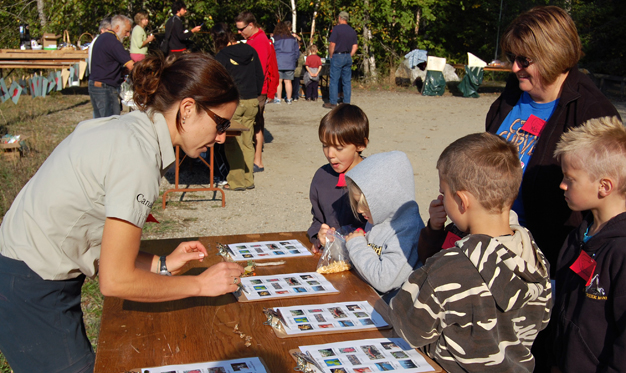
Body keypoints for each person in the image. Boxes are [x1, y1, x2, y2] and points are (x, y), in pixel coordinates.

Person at [0, 53, 245, 372]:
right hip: (32, 285)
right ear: (187, 109)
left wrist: (161, 263)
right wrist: (201, 285)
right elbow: (115, 281)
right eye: (221, 123)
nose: (223, 136)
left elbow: (103, 241)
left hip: (27, 272)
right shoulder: (137, 156)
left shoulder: (131, 129)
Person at [390, 132, 552, 373]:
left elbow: (410, 328)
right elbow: (542, 320)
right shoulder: (534, 255)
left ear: (462, 202)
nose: (442, 200)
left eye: (444, 194)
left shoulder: (450, 267)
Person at [486, 6, 621, 275]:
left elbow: (609, 201)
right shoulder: (515, 91)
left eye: (524, 60)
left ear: (552, 55)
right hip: (491, 238)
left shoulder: (591, 111)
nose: (514, 68)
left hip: (545, 255)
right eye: (512, 57)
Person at [552, 116, 626, 372]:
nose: (561, 184)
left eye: (569, 178)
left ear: (604, 186)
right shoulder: (579, 235)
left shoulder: (621, 252)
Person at [342, 151, 424, 302]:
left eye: (365, 205)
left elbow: (384, 280)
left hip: (388, 310)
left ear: (386, 198)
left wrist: (356, 245)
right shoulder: (380, 217)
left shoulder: (407, 230)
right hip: (366, 296)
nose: (360, 211)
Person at [308, 104, 368, 252]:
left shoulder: (372, 177)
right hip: (333, 257)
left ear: (361, 144)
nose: (330, 154)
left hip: (367, 257)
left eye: (339, 148)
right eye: (325, 145)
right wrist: (318, 235)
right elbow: (318, 219)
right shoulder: (322, 177)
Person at [211, 23, 263, 191]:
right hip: (252, 100)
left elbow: (217, 82)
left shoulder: (222, 56)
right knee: (248, 142)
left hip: (233, 103)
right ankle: (248, 180)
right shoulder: (251, 50)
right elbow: (259, 76)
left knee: (233, 142)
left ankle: (236, 181)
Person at [235, 11, 279, 173]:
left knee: (254, 124)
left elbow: (258, 69)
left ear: (251, 25)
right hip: (256, 89)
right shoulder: (257, 40)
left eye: (241, 29)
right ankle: (253, 158)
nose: (239, 32)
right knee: (255, 123)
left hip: (255, 90)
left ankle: (256, 161)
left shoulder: (259, 42)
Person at [88, 14, 134, 118]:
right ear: (117, 27)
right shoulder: (113, 42)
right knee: (110, 123)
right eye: (126, 31)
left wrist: (122, 71)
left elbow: (106, 65)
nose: (127, 35)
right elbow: (132, 65)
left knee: (100, 122)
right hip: (105, 88)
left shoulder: (102, 38)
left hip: (96, 85)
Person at [323, 11, 357, 109]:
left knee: (334, 80)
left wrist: (331, 55)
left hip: (338, 55)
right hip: (347, 56)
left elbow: (332, 44)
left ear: (339, 18)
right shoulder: (352, 30)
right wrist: (350, 55)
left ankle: (333, 102)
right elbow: (355, 46)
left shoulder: (337, 29)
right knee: (347, 81)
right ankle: (346, 102)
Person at [272, 21, 299, 104]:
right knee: (288, 81)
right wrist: (294, 59)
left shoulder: (274, 38)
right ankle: (289, 99)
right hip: (290, 61)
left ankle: (279, 99)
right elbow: (297, 51)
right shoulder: (293, 38)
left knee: (279, 81)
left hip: (278, 61)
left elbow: (271, 50)